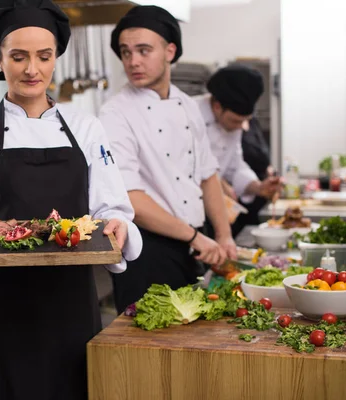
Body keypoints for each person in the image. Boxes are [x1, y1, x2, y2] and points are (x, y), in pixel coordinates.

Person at [0, 0, 142, 398]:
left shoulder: (86, 127)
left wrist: (119, 227)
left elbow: (113, 210)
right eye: (18, 56)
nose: (32, 69)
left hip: (70, 307)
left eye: (44, 56)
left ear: (56, 58)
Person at [99, 5, 236, 315]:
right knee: (150, 352)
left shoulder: (187, 106)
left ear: (170, 51)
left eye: (144, 50)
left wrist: (224, 235)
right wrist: (196, 237)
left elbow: (207, 175)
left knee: (191, 348)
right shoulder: (115, 113)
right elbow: (131, 197)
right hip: (145, 250)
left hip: (192, 245)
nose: (133, 61)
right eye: (126, 52)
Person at [194, 65, 281, 207]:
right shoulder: (186, 114)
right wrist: (217, 184)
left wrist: (259, 187)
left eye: (245, 121)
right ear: (217, 106)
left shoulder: (232, 125)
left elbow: (235, 167)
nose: (241, 126)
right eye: (236, 121)